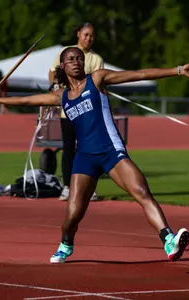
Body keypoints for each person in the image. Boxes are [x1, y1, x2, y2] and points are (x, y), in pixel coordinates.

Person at [0, 46, 189, 264]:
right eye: (71, 59)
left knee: (142, 191)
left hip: (111, 152)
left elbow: (138, 74)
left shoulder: (97, 79)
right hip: (85, 159)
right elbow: (27, 101)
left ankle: (169, 239)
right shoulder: (62, 96)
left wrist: (178, 70)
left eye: (79, 58)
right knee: (72, 215)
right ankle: (66, 244)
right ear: (63, 65)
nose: (76, 61)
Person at [48, 22, 104, 201]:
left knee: (87, 149)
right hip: (69, 113)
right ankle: (66, 186)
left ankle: (89, 187)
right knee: (68, 149)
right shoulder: (66, 53)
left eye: (92, 36)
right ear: (78, 34)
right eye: (86, 34)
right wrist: (55, 85)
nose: (89, 39)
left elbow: (100, 83)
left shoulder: (96, 59)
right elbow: (52, 72)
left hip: (88, 113)